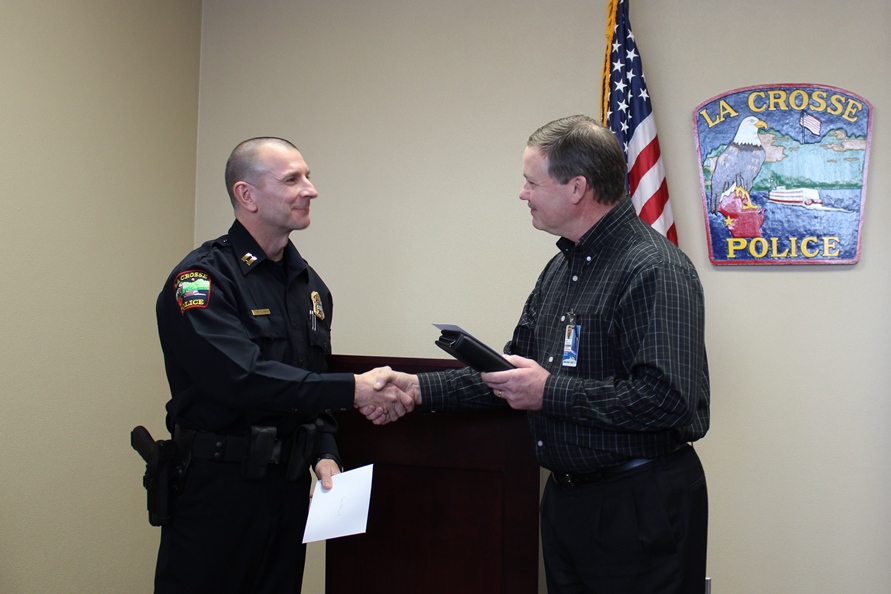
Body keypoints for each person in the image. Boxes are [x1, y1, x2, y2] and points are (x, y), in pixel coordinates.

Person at [366, 115, 710, 593]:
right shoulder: (561, 268)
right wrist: (418, 389)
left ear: (577, 188)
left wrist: (550, 392)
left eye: (531, 181)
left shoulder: (653, 268)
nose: (522, 193)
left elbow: (666, 399)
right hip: (568, 501)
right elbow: (511, 374)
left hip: (639, 505)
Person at [154, 136, 412, 593]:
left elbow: (308, 382)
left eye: (307, 177)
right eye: (292, 180)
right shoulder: (201, 279)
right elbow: (241, 377)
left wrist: (326, 452)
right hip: (219, 492)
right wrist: (354, 389)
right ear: (247, 195)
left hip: (287, 492)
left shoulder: (310, 287)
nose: (310, 189)